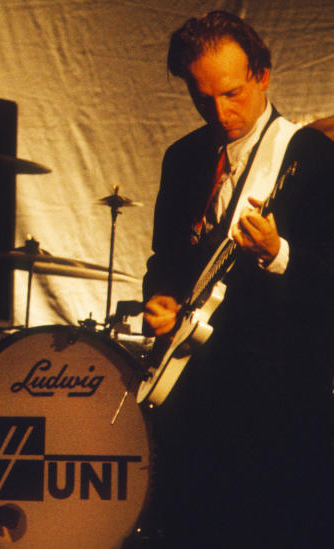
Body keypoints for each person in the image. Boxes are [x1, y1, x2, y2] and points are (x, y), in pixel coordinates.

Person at [142, 11, 334, 548]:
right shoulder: (182, 158)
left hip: (279, 402)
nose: (220, 113)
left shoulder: (313, 157)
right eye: (202, 99)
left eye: (232, 93)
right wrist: (158, 297)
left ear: (263, 76)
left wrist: (279, 253)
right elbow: (164, 259)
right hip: (195, 393)